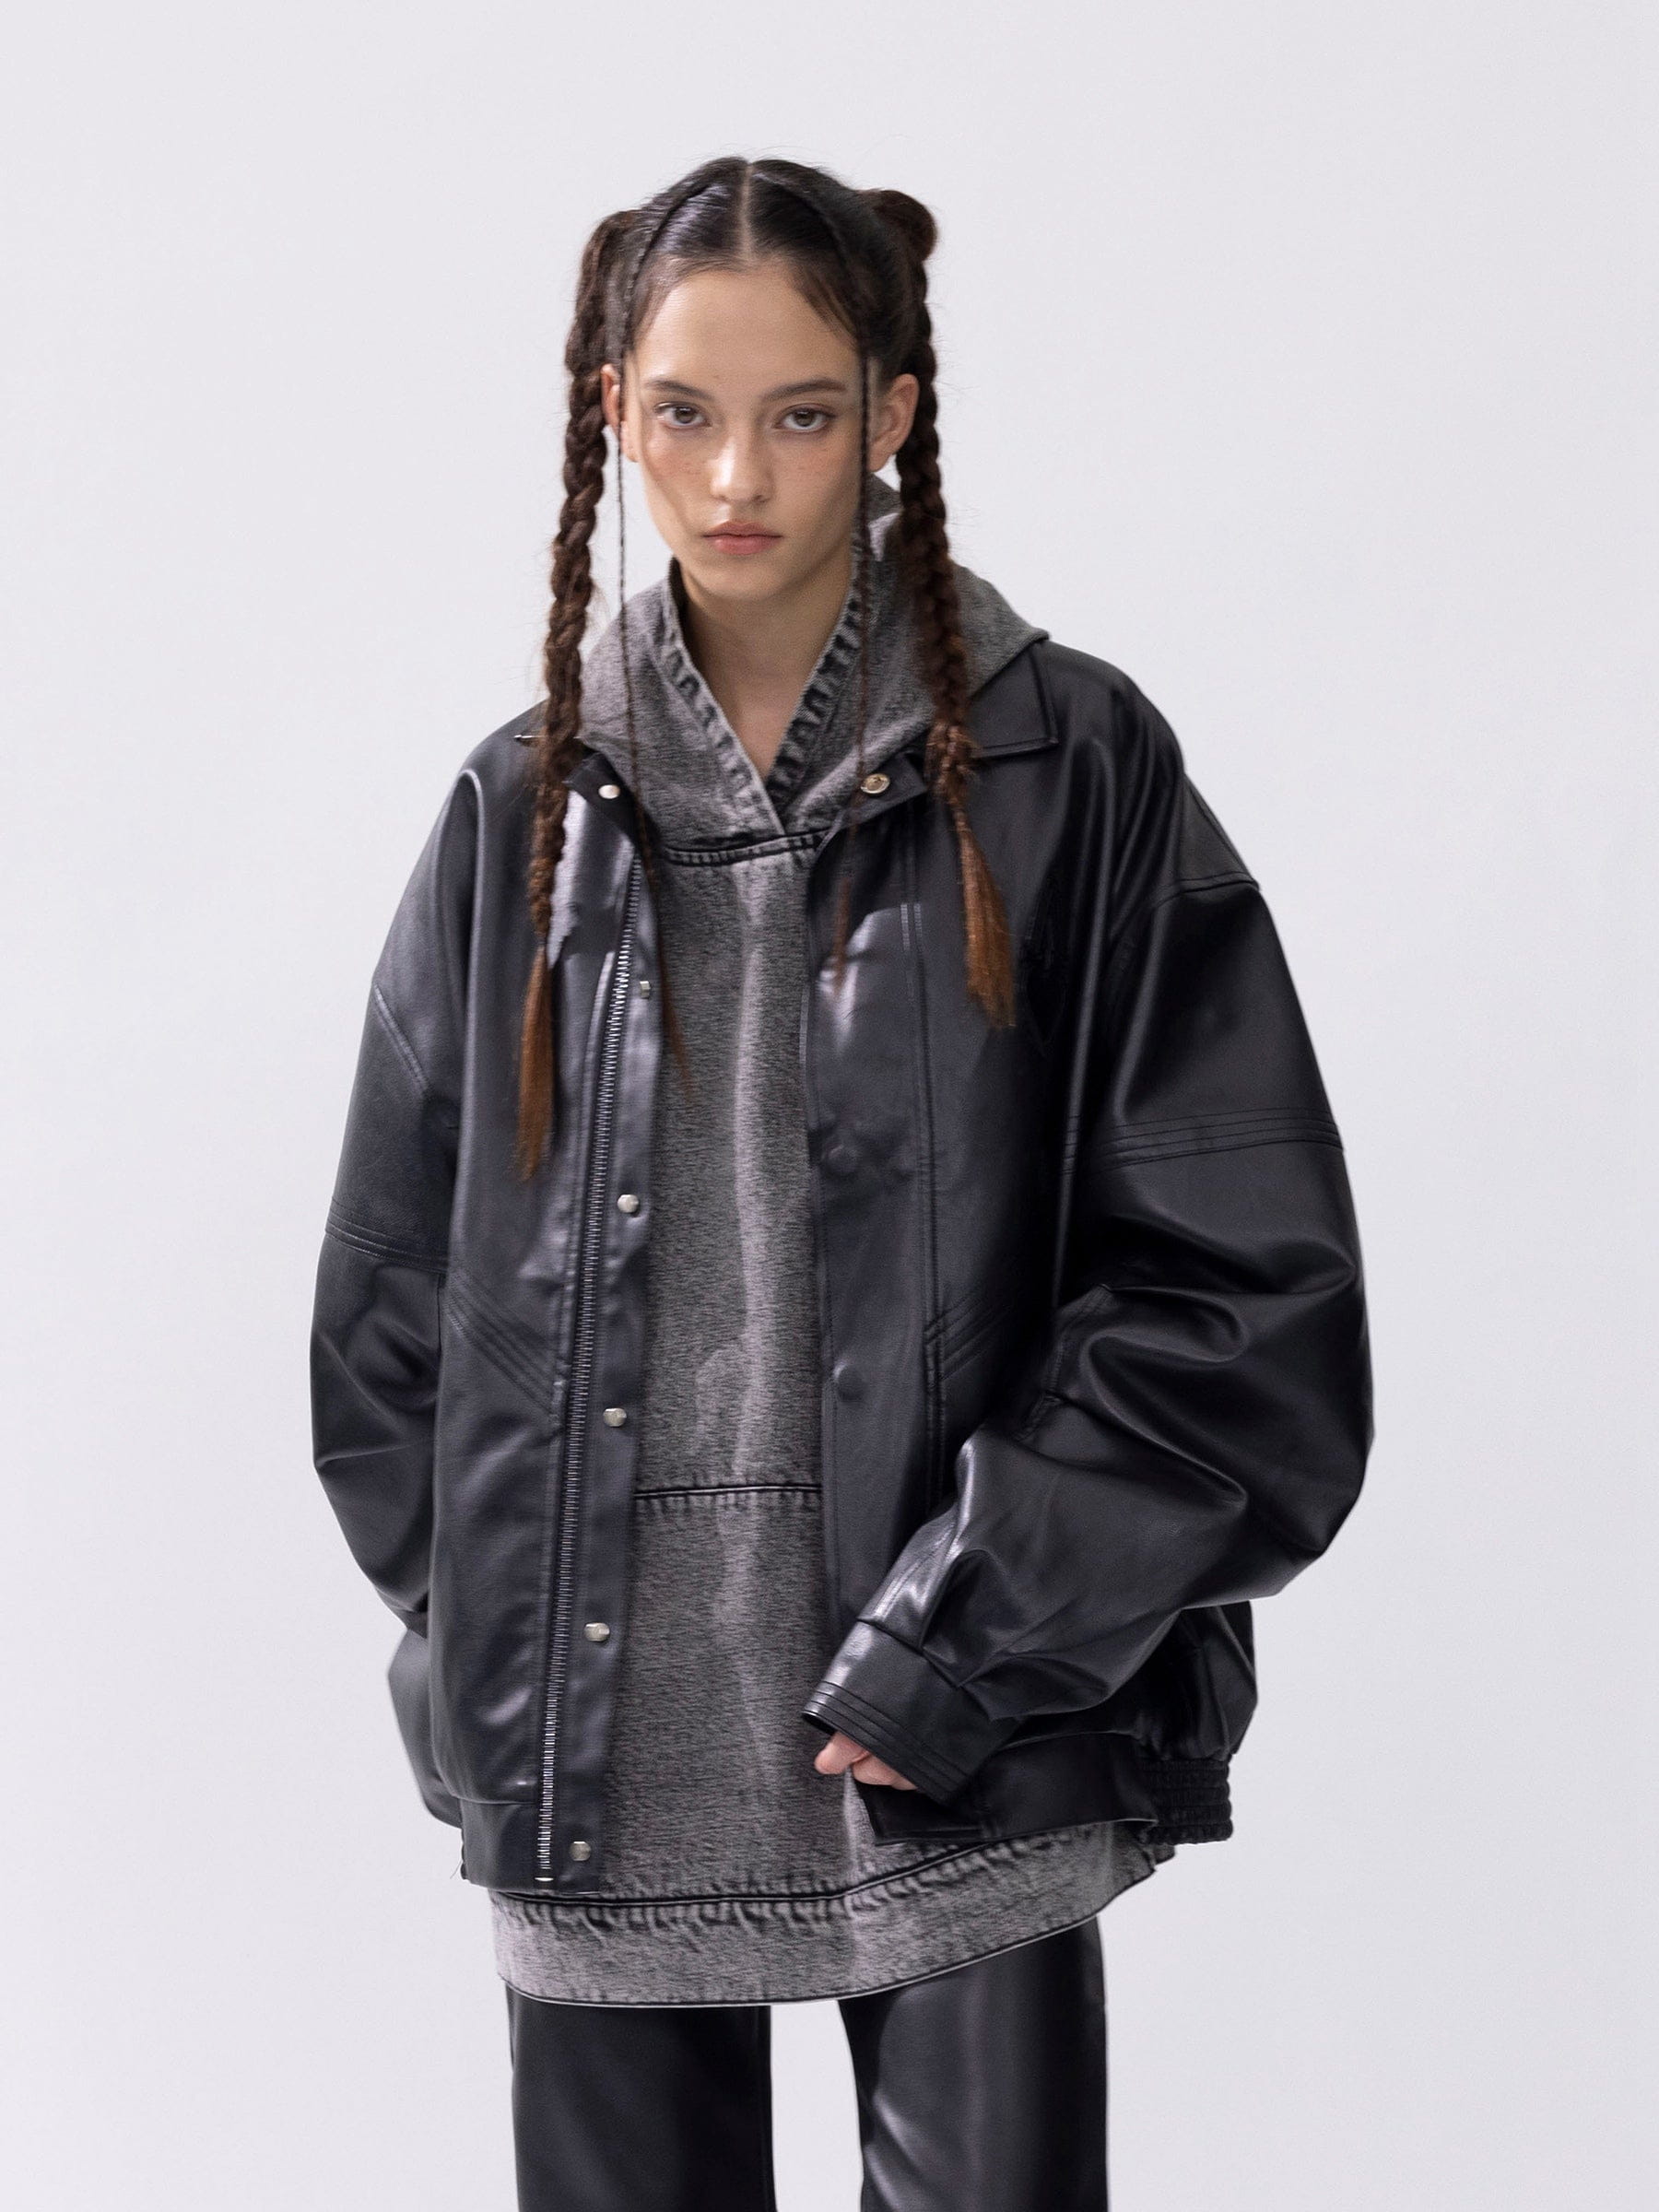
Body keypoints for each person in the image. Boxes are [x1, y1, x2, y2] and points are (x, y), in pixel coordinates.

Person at [309, 154, 1373, 2212]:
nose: (738, 479)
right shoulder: (522, 808)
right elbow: (386, 1321)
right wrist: (505, 1644)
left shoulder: (1070, 767)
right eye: (685, 414)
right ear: (613, 415)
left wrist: (969, 1639)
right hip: (606, 1753)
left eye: (801, 414)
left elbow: (1242, 1292)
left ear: (891, 412)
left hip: (961, 1728)